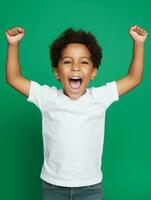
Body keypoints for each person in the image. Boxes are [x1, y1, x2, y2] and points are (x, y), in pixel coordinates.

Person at [5, 25, 148, 200]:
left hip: (90, 188)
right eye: (67, 61)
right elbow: (13, 78)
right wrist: (13, 45)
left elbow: (134, 78)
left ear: (93, 72)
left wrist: (139, 43)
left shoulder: (100, 97)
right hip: (53, 187)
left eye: (84, 62)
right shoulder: (47, 97)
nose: (75, 67)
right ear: (57, 72)